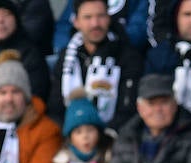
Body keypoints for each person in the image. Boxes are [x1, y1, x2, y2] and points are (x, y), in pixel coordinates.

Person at [48, 0, 143, 130]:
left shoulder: (127, 56)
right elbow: (55, 108)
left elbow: (128, 111)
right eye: (88, 17)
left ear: (109, 18)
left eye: (101, 16)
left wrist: (102, 137)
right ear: (76, 22)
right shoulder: (67, 57)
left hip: (114, 138)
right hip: (72, 139)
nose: (95, 24)